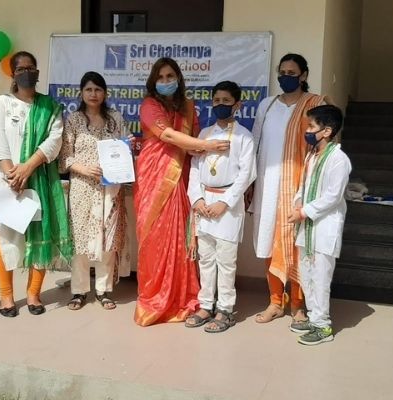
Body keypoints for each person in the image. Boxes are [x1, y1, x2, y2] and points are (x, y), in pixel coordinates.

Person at [133, 57, 230, 326]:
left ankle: (181, 297)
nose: (166, 81)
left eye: (170, 76)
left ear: (178, 79)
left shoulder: (188, 107)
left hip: (182, 175)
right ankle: (154, 298)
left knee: (180, 237)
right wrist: (207, 146)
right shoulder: (149, 105)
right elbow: (167, 136)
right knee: (154, 237)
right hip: (154, 176)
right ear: (153, 81)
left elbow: (192, 143)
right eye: (161, 77)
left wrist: (201, 148)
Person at [0, 51, 73, 317]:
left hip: (39, 179)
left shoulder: (49, 107)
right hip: (6, 181)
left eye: (31, 68)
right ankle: (6, 296)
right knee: (6, 238)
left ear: (38, 72)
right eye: (21, 69)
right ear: (13, 74)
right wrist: (12, 174)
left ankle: (33, 294)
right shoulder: (3, 103)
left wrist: (28, 168)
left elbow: (54, 141)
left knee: (41, 236)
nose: (26, 73)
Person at [249, 53, 329, 329]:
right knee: (270, 241)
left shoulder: (315, 104)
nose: (286, 77)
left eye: (292, 73)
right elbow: (255, 143)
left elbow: (325, 143)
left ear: (304, 75)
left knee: (297, 246)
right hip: (268, 187)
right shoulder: (268, 105)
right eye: (282, 72)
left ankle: (298, 305)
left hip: (299, 188)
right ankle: (275, 301)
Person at [185, 81, 256, 333]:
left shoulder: (244, 137)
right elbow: (195, 168)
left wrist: (224, 202)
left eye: (226, 101)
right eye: (216, 101)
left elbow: (247, 174)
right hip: (204, 203)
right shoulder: (204, 134)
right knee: (205, 259)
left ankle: (225, 309)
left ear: (237, 105)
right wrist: (197, 199)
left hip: (227, 205)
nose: (220, 105)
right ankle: (206, 305)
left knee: (226, 261)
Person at [59, 71, 131, 311]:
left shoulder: (115, 118)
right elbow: (64, 157)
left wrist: (128, 146)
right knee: (80, 241)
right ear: (81, 93)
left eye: (98, 89)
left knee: (108, 242)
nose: (93, 94)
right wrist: (85, 169)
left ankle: (103, 290)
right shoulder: (74, 120)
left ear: (105, 93)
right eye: (88, 89)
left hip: (110, 189)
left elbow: (124, 152)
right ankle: (79, 290)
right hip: (82, 189)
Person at [286, 105, 351, 345]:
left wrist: (303, 212)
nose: (308, 130)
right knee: (307, 275)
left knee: (321, 277)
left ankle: (323, 326)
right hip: (307, 228)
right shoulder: (312, 155)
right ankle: (314, 318)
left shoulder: (338, 159)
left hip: (324, 228)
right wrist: (298, 203)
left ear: (327, 131)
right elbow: (303, 186)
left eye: (312, 126)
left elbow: (333, 196)